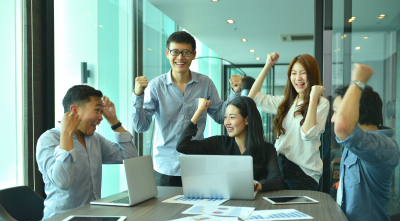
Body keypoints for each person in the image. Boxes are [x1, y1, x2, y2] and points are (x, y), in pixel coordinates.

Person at [132, 31, 241, 187]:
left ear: (194, 54)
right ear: (167, 54)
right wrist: (137, 94)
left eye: (186, 52)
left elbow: (219, 116)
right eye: (175, 52)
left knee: (197, 209)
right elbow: (140, 127)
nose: (180, 57)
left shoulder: (205, 83)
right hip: (165, 166)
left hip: (196, 164)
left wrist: (235, 92)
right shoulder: (156, 86)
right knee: (166, 212)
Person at [36, 85, 138, 219]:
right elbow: (63, 182)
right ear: (74, 110)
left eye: (101, 111)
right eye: (97, 110)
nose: (101, 117)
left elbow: (130, 157)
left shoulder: (93, 138)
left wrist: (113, 121)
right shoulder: (49, 139)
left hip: (92, 218)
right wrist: (67, 133)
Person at [331, 63, 399, 221]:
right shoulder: (358, 143)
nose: (333, 119)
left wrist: (358, 81)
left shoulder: (383, 146)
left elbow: (343, 127)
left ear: (356, 111)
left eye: (336, 112)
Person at [248, 53, 329, 190]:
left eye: (303, 73)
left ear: (312, 74)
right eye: (294, 73)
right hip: (280, 168)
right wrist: (268, 66)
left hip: (303, 174)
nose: (298, 78)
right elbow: (253, 97)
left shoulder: (321, 103)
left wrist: (314, 96)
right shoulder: (286, 102)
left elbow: (307, 134)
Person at [176, 96, 284, 192]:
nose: (227, 122)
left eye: (232, 117)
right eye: (225, 117)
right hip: (223, 204)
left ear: (246, 120)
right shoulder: (219, 143)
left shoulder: (267, 149)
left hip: (255, 203)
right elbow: (183, 146)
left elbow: (277, 180)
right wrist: (199, 111)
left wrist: (255, 186)